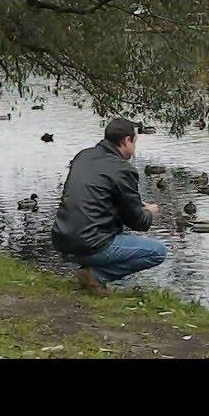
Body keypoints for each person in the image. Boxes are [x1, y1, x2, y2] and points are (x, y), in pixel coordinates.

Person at [51, 118, 167, 296]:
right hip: (89, 244)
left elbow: (89, 198)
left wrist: (126, 204)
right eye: (134, 142)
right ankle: (95, 275)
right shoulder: (123, 169)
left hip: (62, 240)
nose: (135, 148)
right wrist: (149, 212)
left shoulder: (83, 156)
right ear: (126, 141)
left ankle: (88, 270)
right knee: (157, 252)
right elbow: (138, 223)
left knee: (103, 229)